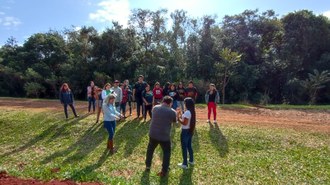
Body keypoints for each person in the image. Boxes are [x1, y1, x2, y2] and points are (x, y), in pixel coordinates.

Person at [145, 96, 177, 177]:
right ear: (170, 103)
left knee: (150, 150)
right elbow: (174, 122)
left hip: (153, 133)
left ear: (163, 101)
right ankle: (164, 170)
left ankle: (148, 166)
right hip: (164, 136)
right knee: (167, 152)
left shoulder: (155, 107)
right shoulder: (172, 111)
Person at [177, 97, 196, 169]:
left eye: (184, 103)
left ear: (186, 104)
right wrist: (181, 113)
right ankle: (191, 160)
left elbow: (184, 123)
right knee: (189, 146)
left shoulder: (188, 112)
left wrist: (178, 118)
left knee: (184, 147)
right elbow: (185, 118)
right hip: (190, 131)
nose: (184, 104)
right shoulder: (191, 111)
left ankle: (184, 164)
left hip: (185, 131)